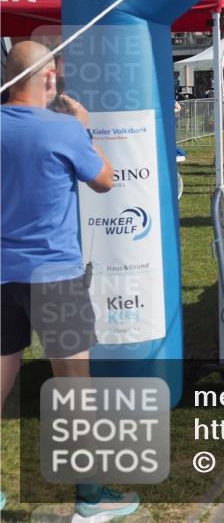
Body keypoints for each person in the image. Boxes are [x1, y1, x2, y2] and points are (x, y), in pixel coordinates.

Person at [1, 42, 140, 520]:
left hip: (3, 277)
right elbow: (105, 178)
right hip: (55, 275)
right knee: (75, 387)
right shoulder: (63, 128)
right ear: (47, 80)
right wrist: (84, 128)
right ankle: (91, 496)